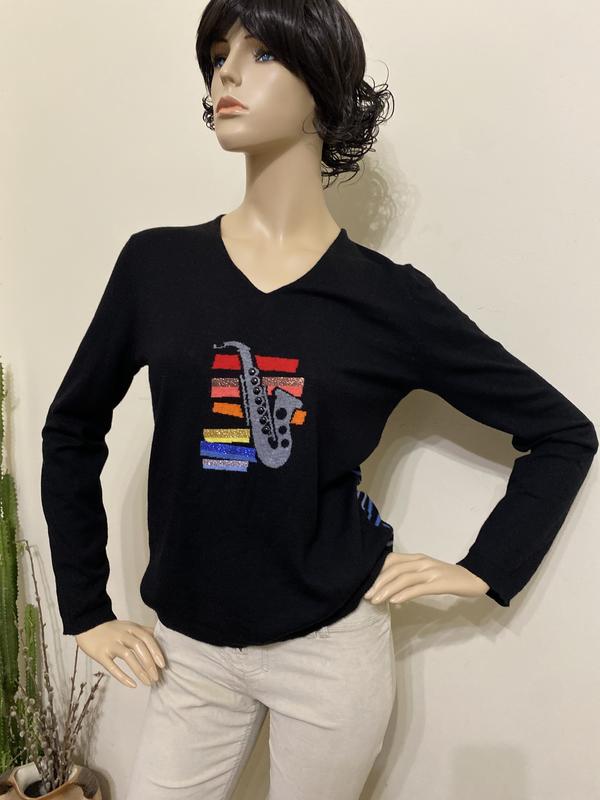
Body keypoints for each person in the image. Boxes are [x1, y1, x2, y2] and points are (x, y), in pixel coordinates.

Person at [40, 2, 597, 799]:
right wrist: (86, 606)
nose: (227, 73)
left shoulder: (388, 300)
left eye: (263, 53)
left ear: (324, 89)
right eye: (219, 54)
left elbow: (562, 433)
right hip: (191, 648)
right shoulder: (156, 268)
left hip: (331, 651)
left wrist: (484, 568)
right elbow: (71, 429)